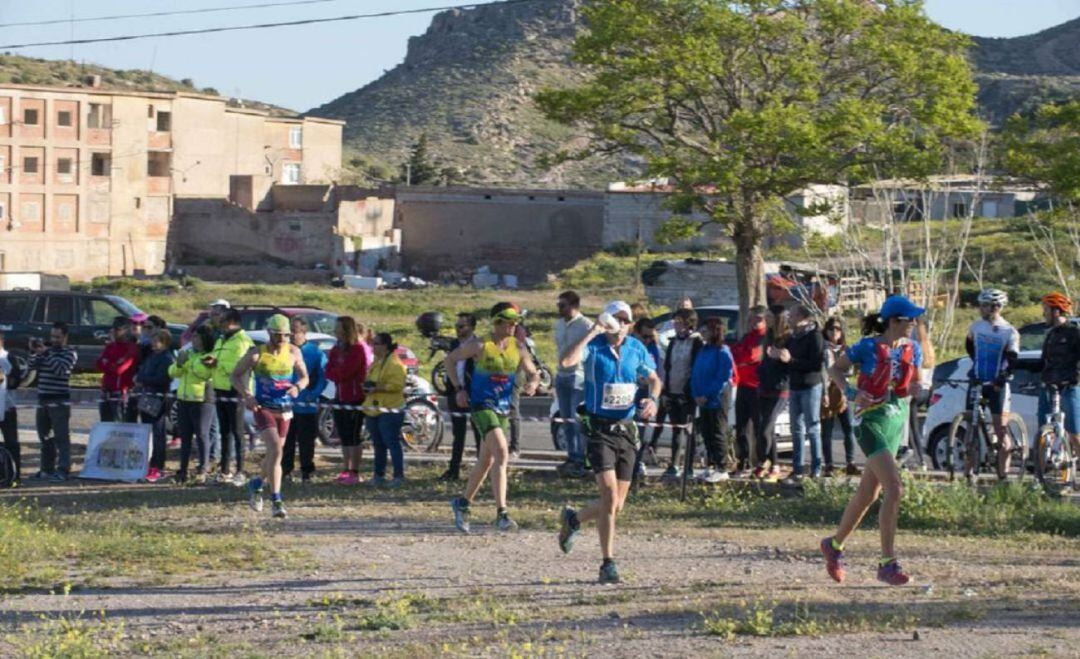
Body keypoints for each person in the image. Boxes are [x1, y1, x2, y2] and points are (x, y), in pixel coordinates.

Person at [820, 295, 924, 587]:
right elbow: (835, 369)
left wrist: (915, 387)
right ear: (894, 321)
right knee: (895, 487)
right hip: (870, 422)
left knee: (869, 494)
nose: (914, 325)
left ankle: (834, 545)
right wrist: (851, 393)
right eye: (909, 320)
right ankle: (887, 563)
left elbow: (908, 386)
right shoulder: (867, 346)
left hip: (895, 421)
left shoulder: (912, 349)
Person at [556, 300, 661, 583]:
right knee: (609, 496)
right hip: (599, 429)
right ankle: (608, 563)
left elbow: (653, 378)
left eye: (626, 321)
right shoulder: (595, 345)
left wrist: (652, 399)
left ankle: (574, 519)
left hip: (626, 430)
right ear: (608, 320)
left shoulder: (636, 348)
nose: (622, 325)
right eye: (617, 319)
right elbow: (566, 362)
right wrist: (593, 330)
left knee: (616, 506)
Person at [447, 302, 540, 534]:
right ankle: (502, 514)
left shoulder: (518, 347)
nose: (512, 326)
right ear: (496, 322)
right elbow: (450, 360)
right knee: (502, 452)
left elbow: (533, 371)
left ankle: (463, 503)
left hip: (503, 408)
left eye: (515, 322)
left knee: (487, 460)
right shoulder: (480, 344)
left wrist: (533, 383)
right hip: (481, 406)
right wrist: (459, 388)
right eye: (508, 322)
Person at [233, 314, 309, 519]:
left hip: (284, 408)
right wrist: (247, 395)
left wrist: (298, 387)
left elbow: (304, 376)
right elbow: (235, 375)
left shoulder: (294, 352)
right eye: (277, 335)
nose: (281, 339)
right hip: (263, 408)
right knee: (275, 450)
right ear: (269, 334)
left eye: (285, 335)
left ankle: (257, 483)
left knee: (275, 454)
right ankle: (277, 500)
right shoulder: (257, 353)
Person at [965, 289, 1020, 480]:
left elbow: (1013, 360)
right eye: (981, 305)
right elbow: (970, 347)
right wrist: (977, 369)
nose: (981, 309)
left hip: (998, 384)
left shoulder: (1009, 331)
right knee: (969, 424)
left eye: (984, 305)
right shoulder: (976, 327)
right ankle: (968, 473)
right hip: (978, 380)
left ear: (996, 307)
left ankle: (1003, 475)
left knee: (1000, 428)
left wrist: (1001, 378)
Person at [651, 308, 702, 479]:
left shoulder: (696, 342)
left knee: (689, 430)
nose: (676, 325)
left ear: (689, 323)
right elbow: (668, 365)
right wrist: (665, 390)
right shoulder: (673, 341)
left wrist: (688, 390)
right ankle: (674, 464)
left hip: (687, 393)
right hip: (672, 389)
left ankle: (688, 467)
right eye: (676, 321)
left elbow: (695, 368)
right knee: (675, 429)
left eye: (680, 321)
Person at [209, 308, 255, 486]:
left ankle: (241, 470)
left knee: (237, 432)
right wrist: (210, 361)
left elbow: (238, 367)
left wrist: (217, 363)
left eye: (222, 321)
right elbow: (214, 357)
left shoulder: (242, 341)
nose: (219, 324)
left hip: (235, 390)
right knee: (224, 431)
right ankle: (224, 470)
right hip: (220, 389)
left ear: (232, 321)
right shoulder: (221, 339)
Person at [781, 305, 826, 482]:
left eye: (791, 315)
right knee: (796, 429)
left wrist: (790, 360)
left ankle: (816, 468)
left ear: (801, 317)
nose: (789, 319)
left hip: (810, 385)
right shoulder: (793, 337)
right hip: (795, 386)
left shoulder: (815, 336)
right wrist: (779, 356)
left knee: (813, 427)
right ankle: (797, 468)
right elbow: (787, 359)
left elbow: (815, 364)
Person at [282, 317, 327, 484]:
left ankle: (307, 472)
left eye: (295, 332)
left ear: (303, 333)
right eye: (289, 332)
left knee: (306, 441)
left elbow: (323, 377)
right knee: (286, 440)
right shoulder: (282, 350)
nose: (292, 336)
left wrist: (313, 394)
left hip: (307, 406)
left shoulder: (315, 352)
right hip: (285, 404)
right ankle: (286, 471)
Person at [1036, 292, 1080, 467]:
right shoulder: (1051, 334)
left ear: (1056, 311)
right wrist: (1015, 364)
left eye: (1045, 309)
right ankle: (1041, 477)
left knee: (1075, 433)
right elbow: (1042, 362)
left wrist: (1075, 376)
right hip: (1049, 386)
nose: (1043, 313)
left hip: (1069, 386)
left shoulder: (1074, 333)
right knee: (1043, 433)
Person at [29, 322, 77, 480]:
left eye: (57, 337)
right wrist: (34, 351)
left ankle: (63, 469)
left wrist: (46, 354)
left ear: (65, 336)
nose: (54, 339)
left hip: (59, 401)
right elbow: (31, 367)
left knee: (61, 437)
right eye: (52, 336)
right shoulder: (46, 351)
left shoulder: (70, 353)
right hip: (43, 400)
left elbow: (61, 371)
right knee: (45, 437)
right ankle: (46, 468)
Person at [169, 325, 216, 484]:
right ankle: (182, 470)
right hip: (184, 399)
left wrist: (186, 364)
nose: (193, 339)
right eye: (193, 336)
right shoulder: (188, 353)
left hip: (202, 400)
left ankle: (203, 469)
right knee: (185, 436)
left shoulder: (210, 355)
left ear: (204, 339)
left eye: (196, 336)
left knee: (202, 434)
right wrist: (179, 365)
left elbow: (203, 373)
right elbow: (173, 372)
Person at [325, 316, 369, 485]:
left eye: (338, 328)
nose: (335, 331)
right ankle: (345, 468)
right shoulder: (336, 348)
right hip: (339, 396)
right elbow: (329, 369)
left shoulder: (357, 349)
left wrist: (336, 373)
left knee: (353, 435)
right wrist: (334, 373)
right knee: (343, 435)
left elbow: (347, 371)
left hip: (354, 397)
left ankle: (355, 470)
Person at [554, 290, 593, 478]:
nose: (559, 309)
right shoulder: (559, 325)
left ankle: (582, 458)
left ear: (574, 306)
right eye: (558, 305)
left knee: (577, 420)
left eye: (563, 305)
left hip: (578, 376)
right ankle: (571, 456)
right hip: (561, 375)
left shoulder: (586, 325)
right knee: (566, 418)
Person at [691, 317, 735, 483]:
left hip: (716, 398)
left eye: (706, 330)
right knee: (706, 431)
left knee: (717, 431)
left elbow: (723, 377)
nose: (702, 333)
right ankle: (711, 466)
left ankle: (722, 467)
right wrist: (696, 394)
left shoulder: (722, 351)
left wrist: (707, 395)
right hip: (701, 398)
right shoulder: (703, 350)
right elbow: (696, 374)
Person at [440, 313, 481, 482]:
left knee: (479, 433)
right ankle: (453, 469)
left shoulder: (478, 345)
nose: (458, 330)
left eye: (462, 326)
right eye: (457, 326)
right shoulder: (454, 344)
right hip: (455, 392)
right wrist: (454, 389)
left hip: (474, 393)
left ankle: (481, 471)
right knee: (458, 434)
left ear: (472, 327)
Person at [364, 333, 408, 486]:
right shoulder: (377, 361)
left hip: (390, 409)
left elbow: (397, 385)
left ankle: (398, 476)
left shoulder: (395, 364)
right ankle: (378, 475)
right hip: (374, 408)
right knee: (378, 443)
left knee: (391, 442)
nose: (373, 347)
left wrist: (377, 387)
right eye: (372, 344)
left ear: (385, 346)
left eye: (376, 344)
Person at [753, 306, 790, 481]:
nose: (765, 320)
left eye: (768, 317)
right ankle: (773, 463)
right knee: (765, 427)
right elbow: (764, 361)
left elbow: (790, 363)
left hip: (781, 388)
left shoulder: (788, 338)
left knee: (766, 426)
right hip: (765, 386)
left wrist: (781, 358)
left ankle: (763, 461)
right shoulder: (767, 337)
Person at [730, 306, 767, 477]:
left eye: (758, 318)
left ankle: (762, 462)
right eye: (752, 318)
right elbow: (735, 355)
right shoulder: (747, 336)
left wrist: (743, 360)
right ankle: (742, 461)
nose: (754, 322)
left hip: (758, 387)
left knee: (759, 427)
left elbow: (752, 356)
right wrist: (742, 361)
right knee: (741, 427)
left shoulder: (764, 337)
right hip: (743, 385)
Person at [135, 329, 176, 483]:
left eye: (156, 340)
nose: (153, 343)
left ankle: (158, 465)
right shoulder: (152, 356)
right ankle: (147, 463)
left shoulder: (166, 358)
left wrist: (143, 379)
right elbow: (142, 371)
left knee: (158, 432)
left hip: (158, 398)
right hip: (147, 396)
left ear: (164, 342)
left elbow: (162, 379)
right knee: (147, 431)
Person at [821, 317, 859, 477]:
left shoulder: (846, 349)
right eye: (831, 329)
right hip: (828, 390)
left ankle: (851, 463)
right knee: (827, 430)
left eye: (837, 329)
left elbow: (851, 370)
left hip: (844, 391)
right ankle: (829, 465)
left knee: (849, 428)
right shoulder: (823, 348)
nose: (834, 332)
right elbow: (824, 372)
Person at [96, 316, 140, 423]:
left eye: (117, 329)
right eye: (113, 329)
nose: (114, 332)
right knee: (105, 424)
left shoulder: (131, 348)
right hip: (106, 390)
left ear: (126, 330)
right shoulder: (110, 346)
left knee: (120, 425)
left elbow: (120, 369)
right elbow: (98, 364)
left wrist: (108, 363)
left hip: (121, 393)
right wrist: (112, 364)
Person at [0, 333, 20, 483]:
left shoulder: (8, 358)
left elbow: (15, 382)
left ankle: (14, 475)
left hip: (7, 408)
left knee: (11, 442)